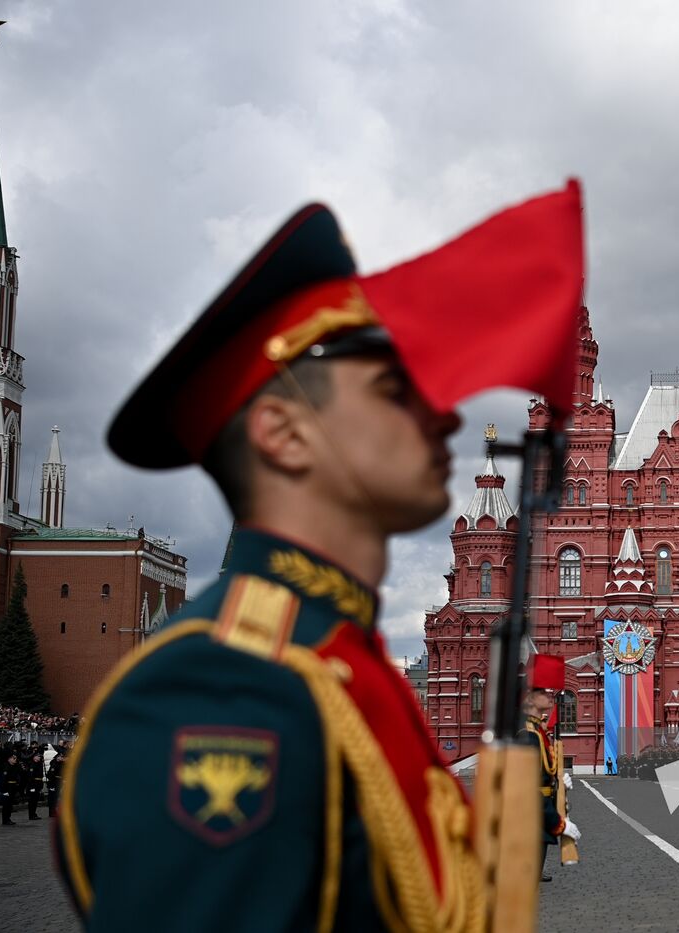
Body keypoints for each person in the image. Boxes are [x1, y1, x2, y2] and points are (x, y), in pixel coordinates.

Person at [56, 183, 584, 932]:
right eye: (392, 387)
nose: (442, 410)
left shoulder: (343, 663)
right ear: (284, 432)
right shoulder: (227, 692)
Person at [517, 654, 581, 884]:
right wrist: (559, 823)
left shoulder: (536, 733)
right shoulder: (528, 735)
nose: (550, 695)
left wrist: (557, 780)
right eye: (543, 692)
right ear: (529, 699)